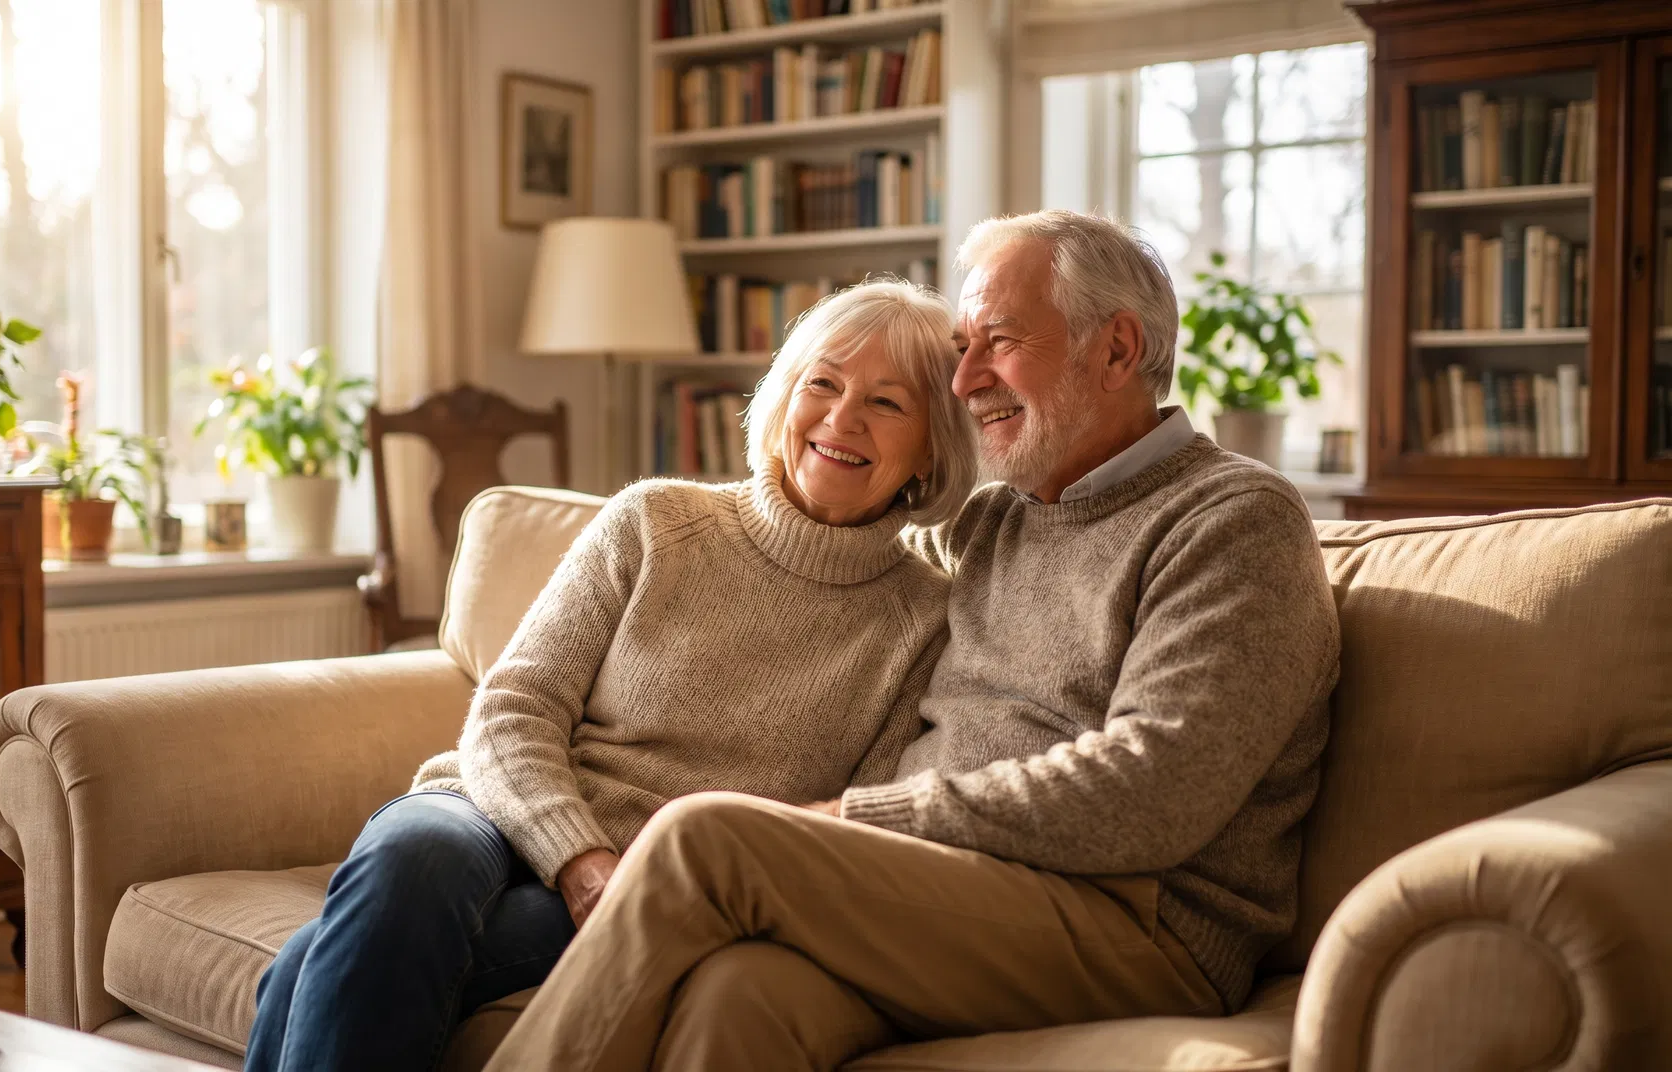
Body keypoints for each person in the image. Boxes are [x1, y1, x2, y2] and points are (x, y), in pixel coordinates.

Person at [484, 210, 1344, 1072]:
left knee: (706, 839)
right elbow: (832, 535)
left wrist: (858, 817)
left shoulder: (1234, 521)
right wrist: (693, 525)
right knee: (740, 995)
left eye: (996, 342)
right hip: (946, 888)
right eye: (962, 346)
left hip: (1134, 919)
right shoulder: (1001, 519)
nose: (964, 380)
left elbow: (1156, 793)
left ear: (1118, 350)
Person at [243, 278, 978, 1072]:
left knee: (305, 968)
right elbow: (513, 711)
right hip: (490, 809)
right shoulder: (657, 521)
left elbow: (842, 835)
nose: (841, 420)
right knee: (411, 859)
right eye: (822, 383)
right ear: (784, 396)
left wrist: (626, 881)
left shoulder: (925, 623)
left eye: (887, 404)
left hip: (655, 886)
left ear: (931, 447)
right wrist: (578, 858)